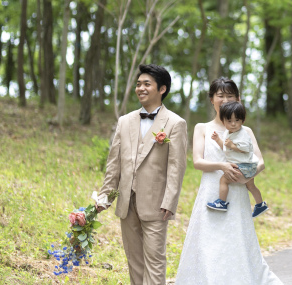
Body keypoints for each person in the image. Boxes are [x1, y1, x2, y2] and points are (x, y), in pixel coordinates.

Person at [174, 77, 282, 285]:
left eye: (230, 96)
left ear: (238, 99)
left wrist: (245, 176)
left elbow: (260, 162)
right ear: (211, 99)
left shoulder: (245, 131)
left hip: (238, 191)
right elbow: (197, 162)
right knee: (209, 242)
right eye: (220, 96)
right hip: (211, 191)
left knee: (237, 240)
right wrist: (222, 166)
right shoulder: (202, 128)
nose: (225, 100)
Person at [95, 64, 188, 285]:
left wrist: (170, 201)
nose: (141, 88)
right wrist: (105, 196)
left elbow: (176, 167)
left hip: (157, 204)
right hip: (127, 202)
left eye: (147, 84)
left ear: (162, 89)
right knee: (134, 261)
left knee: (155, 261)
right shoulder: (124, 121)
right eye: (138, 84)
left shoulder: (175, 123)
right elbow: (114, 163)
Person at [206, 101, 268, 216]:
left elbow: (246, 148)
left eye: (237, 120)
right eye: (229, 121)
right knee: (251, 186)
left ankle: (222, 202)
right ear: (223, 121)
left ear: (243, 121)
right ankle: (260, 204)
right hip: (248, 165)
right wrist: (218, 140)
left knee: (223, 180)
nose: (233, 124)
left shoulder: (242, 134)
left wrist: (232, 146)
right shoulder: (228, 133)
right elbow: (226, 148)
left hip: (243, 166)